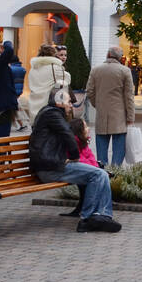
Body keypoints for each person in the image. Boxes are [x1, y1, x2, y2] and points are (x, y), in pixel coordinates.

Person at [29, 89, 120, 233]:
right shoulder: (52, 114)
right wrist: (74, 157)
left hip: (52, 165)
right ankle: (88, 219)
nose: (71, 106)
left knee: (100, 174)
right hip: (50, 169)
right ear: (59, 103)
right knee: (98, 175)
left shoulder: (49, 113)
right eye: (69, 102)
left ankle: (102, 217)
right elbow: (68, 134)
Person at [85, 47, 136, 167]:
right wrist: (130, 116)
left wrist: (97, 104)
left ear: (108, 54)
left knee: (101, 151)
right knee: (118, 151)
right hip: (119, 116)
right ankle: (115, 173)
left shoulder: (96, 70)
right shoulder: (125, 71)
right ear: (120, 58)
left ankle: (103, 173)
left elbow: (90, 91)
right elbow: (129, 96)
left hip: (102, 114)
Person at [24, 44, 69, 121]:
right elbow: (66, 80)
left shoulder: (33, 69)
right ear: (53, 55)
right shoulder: (55, 68)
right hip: (48, 107)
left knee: (36, 129)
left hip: (33, 104)